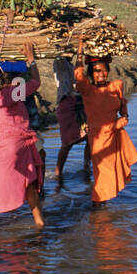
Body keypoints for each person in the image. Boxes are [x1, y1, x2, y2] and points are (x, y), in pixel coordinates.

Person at [74, 35, 137, 205]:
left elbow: (124, 109)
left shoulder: (116, 86)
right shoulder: (87, 90)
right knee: (103, 177)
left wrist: (122, 120)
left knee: (107, 177)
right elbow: (78, 74)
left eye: (104, 70)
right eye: (97, 71)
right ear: (92, 74)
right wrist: (80, 49)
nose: (101, 74)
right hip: (98, 141)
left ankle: (101, 216)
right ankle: (98, 215)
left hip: (115, 138)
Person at [0, 44, 45, 232]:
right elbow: (36, 82)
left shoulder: (4, 94)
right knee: (5, 183)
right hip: (14, 146)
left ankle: (38, 221)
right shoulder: (9, 93)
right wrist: (31, 59)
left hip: (16, 145)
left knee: (29, 182)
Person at [52, 54, 89, 184]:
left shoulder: (70, 65)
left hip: (78, 104)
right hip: (67, 106)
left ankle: (86, 166)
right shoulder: (59, 62)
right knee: (67, 143)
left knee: (89, 137)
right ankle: (58, 172)